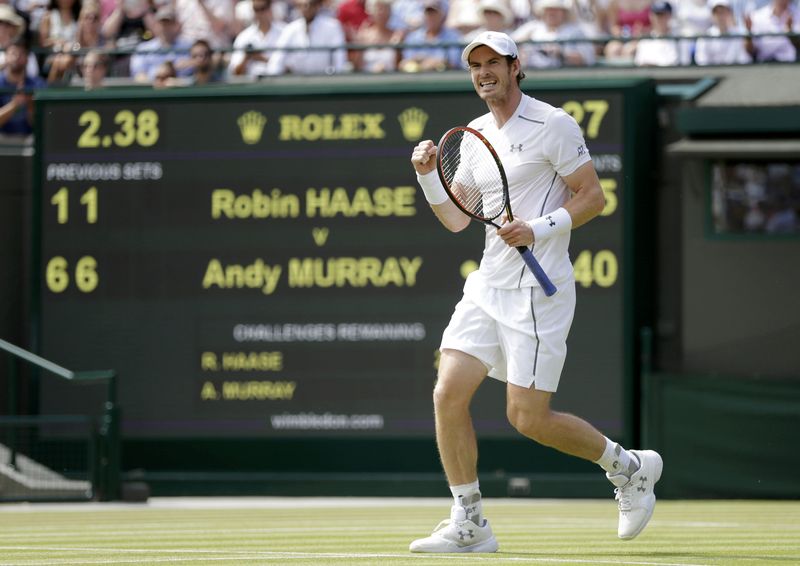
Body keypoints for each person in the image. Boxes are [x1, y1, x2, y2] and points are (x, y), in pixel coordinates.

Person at [408, 30, 662, 553]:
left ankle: (629, 468)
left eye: (493, 62)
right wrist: (430, 177)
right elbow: (457, 220)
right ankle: (470, 520)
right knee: (447, 394)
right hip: (486, 285)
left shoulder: (554, 124)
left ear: (515, 66)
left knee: (528, 418)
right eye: (475, 64)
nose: (484, 72)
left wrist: (537, 228)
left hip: (536, 291)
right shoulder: (475, 135)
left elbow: (593, 197)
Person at [265, 0, 348, 75]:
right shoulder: (291, 29)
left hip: (324, 80)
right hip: (298, 82)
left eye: (309, 4)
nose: (306, 8)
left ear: (317, 6)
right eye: (302, 5)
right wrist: (272, 79)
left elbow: (339, 61)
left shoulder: (332, 26)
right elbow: (277, 59)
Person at [512, 0, 596, 68]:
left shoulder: (575, 31)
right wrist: (521, 52)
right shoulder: (533, 28)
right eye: (548, 9)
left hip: (564, 77)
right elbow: (511, 42)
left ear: (563, 12)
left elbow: (587, 59)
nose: (551, 13)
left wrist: (561, 54)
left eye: (555, 9)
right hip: (533, 75)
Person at [129, 5, 192, 83]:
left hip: (182, 91)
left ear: (176, 25)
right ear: (156, 26)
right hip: (152, 92)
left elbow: (199, 69)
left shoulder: (189, 47)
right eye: (162, 24)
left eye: (169, 24)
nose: (165, 28)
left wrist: (190, 63)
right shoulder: (143, 49)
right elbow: (138, 75)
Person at [398, 0, 462, 72]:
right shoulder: (413, 37)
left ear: (442, 14)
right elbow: (407, 62)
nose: (431, 17)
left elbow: (454, 63)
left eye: (434, 13)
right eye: (428, 13)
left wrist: (432, 62)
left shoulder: (453, 36)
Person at [0, 39, 45, 136]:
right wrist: (14, 105)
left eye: (21, 54)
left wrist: (30, 106)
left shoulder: (37, 84)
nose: (16, 57)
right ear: (6, 57)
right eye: (13, 53)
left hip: (29, 140)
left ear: (27, 59)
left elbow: (43, 125)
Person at [228, 0, 284, 77]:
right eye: (256, 9)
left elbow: (292, 66)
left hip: (279, 82)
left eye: (263, 8)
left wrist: (261, 58)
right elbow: (235, 72)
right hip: (252, 84)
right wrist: (246, 58)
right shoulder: (244, 36)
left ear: (270, 8)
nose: (260, 13)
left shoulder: (284, 32)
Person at [633, 1, 693, 66]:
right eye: (657, 15)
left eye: (663, 15)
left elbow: (680, 65)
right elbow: (642, 64)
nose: (660, 19)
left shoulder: (680, 38)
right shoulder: (645, 41)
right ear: (651, 16)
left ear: (670, 15)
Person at [351, 0, 404, 72]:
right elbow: (357, 66)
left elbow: (399, 65)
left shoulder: (397, 35)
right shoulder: (363, 36)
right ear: (371, 11)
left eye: (386, 9)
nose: (382, 13)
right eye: (379, 9)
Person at [694, 0, 752, 65]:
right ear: (712, 15)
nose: (720, 16)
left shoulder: (739, 34)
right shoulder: (705, 37)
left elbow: (744, 60)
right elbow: (702, 62)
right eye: (717, 12)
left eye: (723, 12)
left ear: (729, 13)